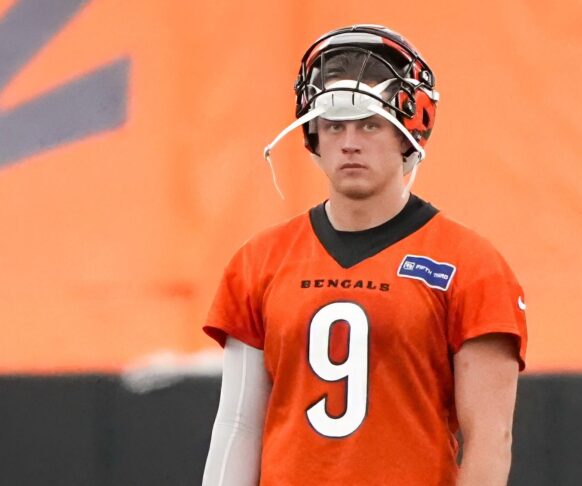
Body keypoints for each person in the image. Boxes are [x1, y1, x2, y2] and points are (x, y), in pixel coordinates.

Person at [201, 24, 528, 486]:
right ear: (313, 135)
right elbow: (238, 425)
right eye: (334, 125)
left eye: (370, 124)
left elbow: (491, 438)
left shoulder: (470, 265)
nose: (350, 142)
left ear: (407, 134)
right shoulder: (260, 260)